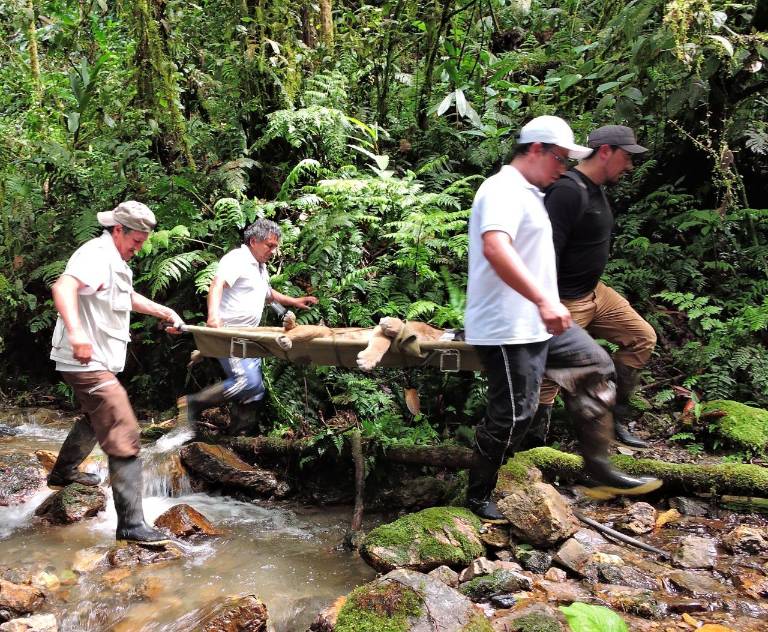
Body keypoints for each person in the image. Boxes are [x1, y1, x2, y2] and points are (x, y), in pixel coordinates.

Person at [464, 116, 661, 521]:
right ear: (535, 149)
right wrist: (544, 300)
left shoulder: (532, 192)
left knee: (595, 366)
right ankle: (477, 496)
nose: (564, 168)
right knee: (514, 414)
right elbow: (496, 247)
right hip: (506, 326)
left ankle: (599, 468)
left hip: (536, 321)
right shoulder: (502, 189)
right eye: (559, 158)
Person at [48, 201, 183, 545]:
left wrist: (164, 311)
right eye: (135, 241)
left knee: (96, 417)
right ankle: (132, 525)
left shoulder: (115, 261)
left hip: (97, 361)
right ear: (118, 230)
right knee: (122, 427)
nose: (138, 249)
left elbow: (128, 297)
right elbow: (63, 287)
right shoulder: (95, 254)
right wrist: (77, 333)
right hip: (85, 361)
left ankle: (63, 472)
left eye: (143, 243)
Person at [530, 125, 656, 449]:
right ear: (605, 152)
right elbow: (547, 251)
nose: (630, 166)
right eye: (626, 156)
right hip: (565, 300)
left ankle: (614, 421)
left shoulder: (595, 188)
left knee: (641, 337)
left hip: (595, 292)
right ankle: (534, 448)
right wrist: (547, 305)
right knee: (549, 376)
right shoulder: (567, 191)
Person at [177, 219, 317, 434]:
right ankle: (192, 404)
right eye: (270, 245)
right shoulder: (238, 259)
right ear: (253, 241)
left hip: (250, 336)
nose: (273, 251)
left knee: (255, 391)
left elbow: (268, 294)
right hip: (230, 334)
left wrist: (294, 301)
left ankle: (234, 436)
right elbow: (217, 284)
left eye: (275, 246)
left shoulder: (260, 267)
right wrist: (213, 317)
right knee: (247, 382)